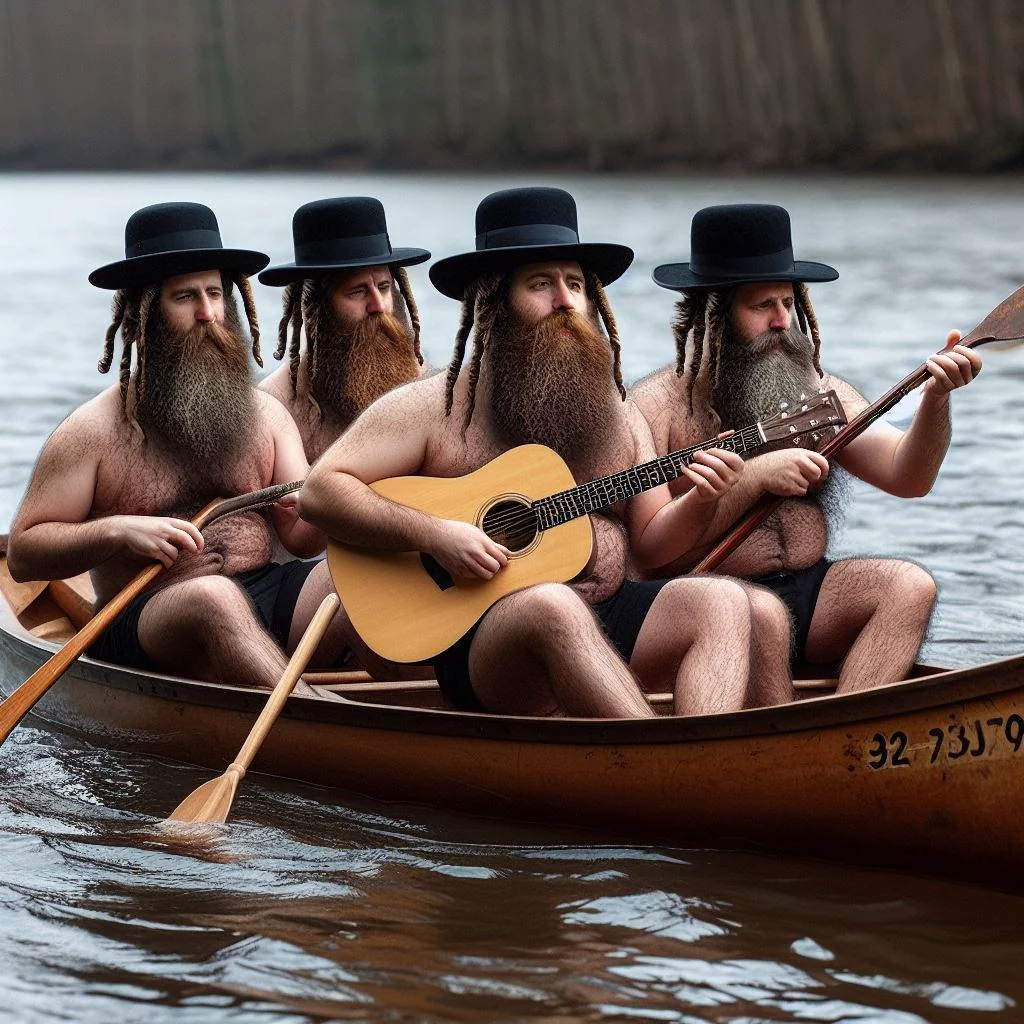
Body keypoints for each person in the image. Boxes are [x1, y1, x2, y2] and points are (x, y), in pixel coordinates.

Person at [300, 187, 794, 718]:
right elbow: (322, 492)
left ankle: (711, 755)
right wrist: (435, 535)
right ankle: (659, 764)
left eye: (576, 284)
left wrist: (699, 498)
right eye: (542, 284)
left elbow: (651, 549)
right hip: (488, 646)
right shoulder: (436, 406)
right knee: (550, 604)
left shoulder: (618, 414)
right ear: (493, 302)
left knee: (724, 600)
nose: (566, 302)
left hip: (611, 618)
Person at [630, 203, 982, 693]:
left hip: (812, 595)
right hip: (708, 602)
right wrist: (754, 477)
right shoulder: (655, 408)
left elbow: (908, 476)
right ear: (714, 314)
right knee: (763, 615)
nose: (782, 320)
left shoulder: (817, 392)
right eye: (761, 306)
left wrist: (936, 401)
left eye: (788, 302)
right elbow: (648, 554)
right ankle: (783, 744)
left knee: (909, 586)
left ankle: (850, 732)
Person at [6, 202, 350, 692]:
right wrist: (119, 532)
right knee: (211, 598)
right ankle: (325, 723)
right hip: (144, 616)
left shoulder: (266, 415)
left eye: (214, 294)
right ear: (143, 312)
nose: (208, 314)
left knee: (357, 574)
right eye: (185, 297)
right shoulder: (92, 432)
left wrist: (318, 508)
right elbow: (22, 555)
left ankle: (417, 715)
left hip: (267, 596)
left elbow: (302, 540)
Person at [258, 197, 433, 463]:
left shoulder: (424, 383)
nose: (378, 306)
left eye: (383, 287)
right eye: (357, 291)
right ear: (317, 309)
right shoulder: (276, 407)